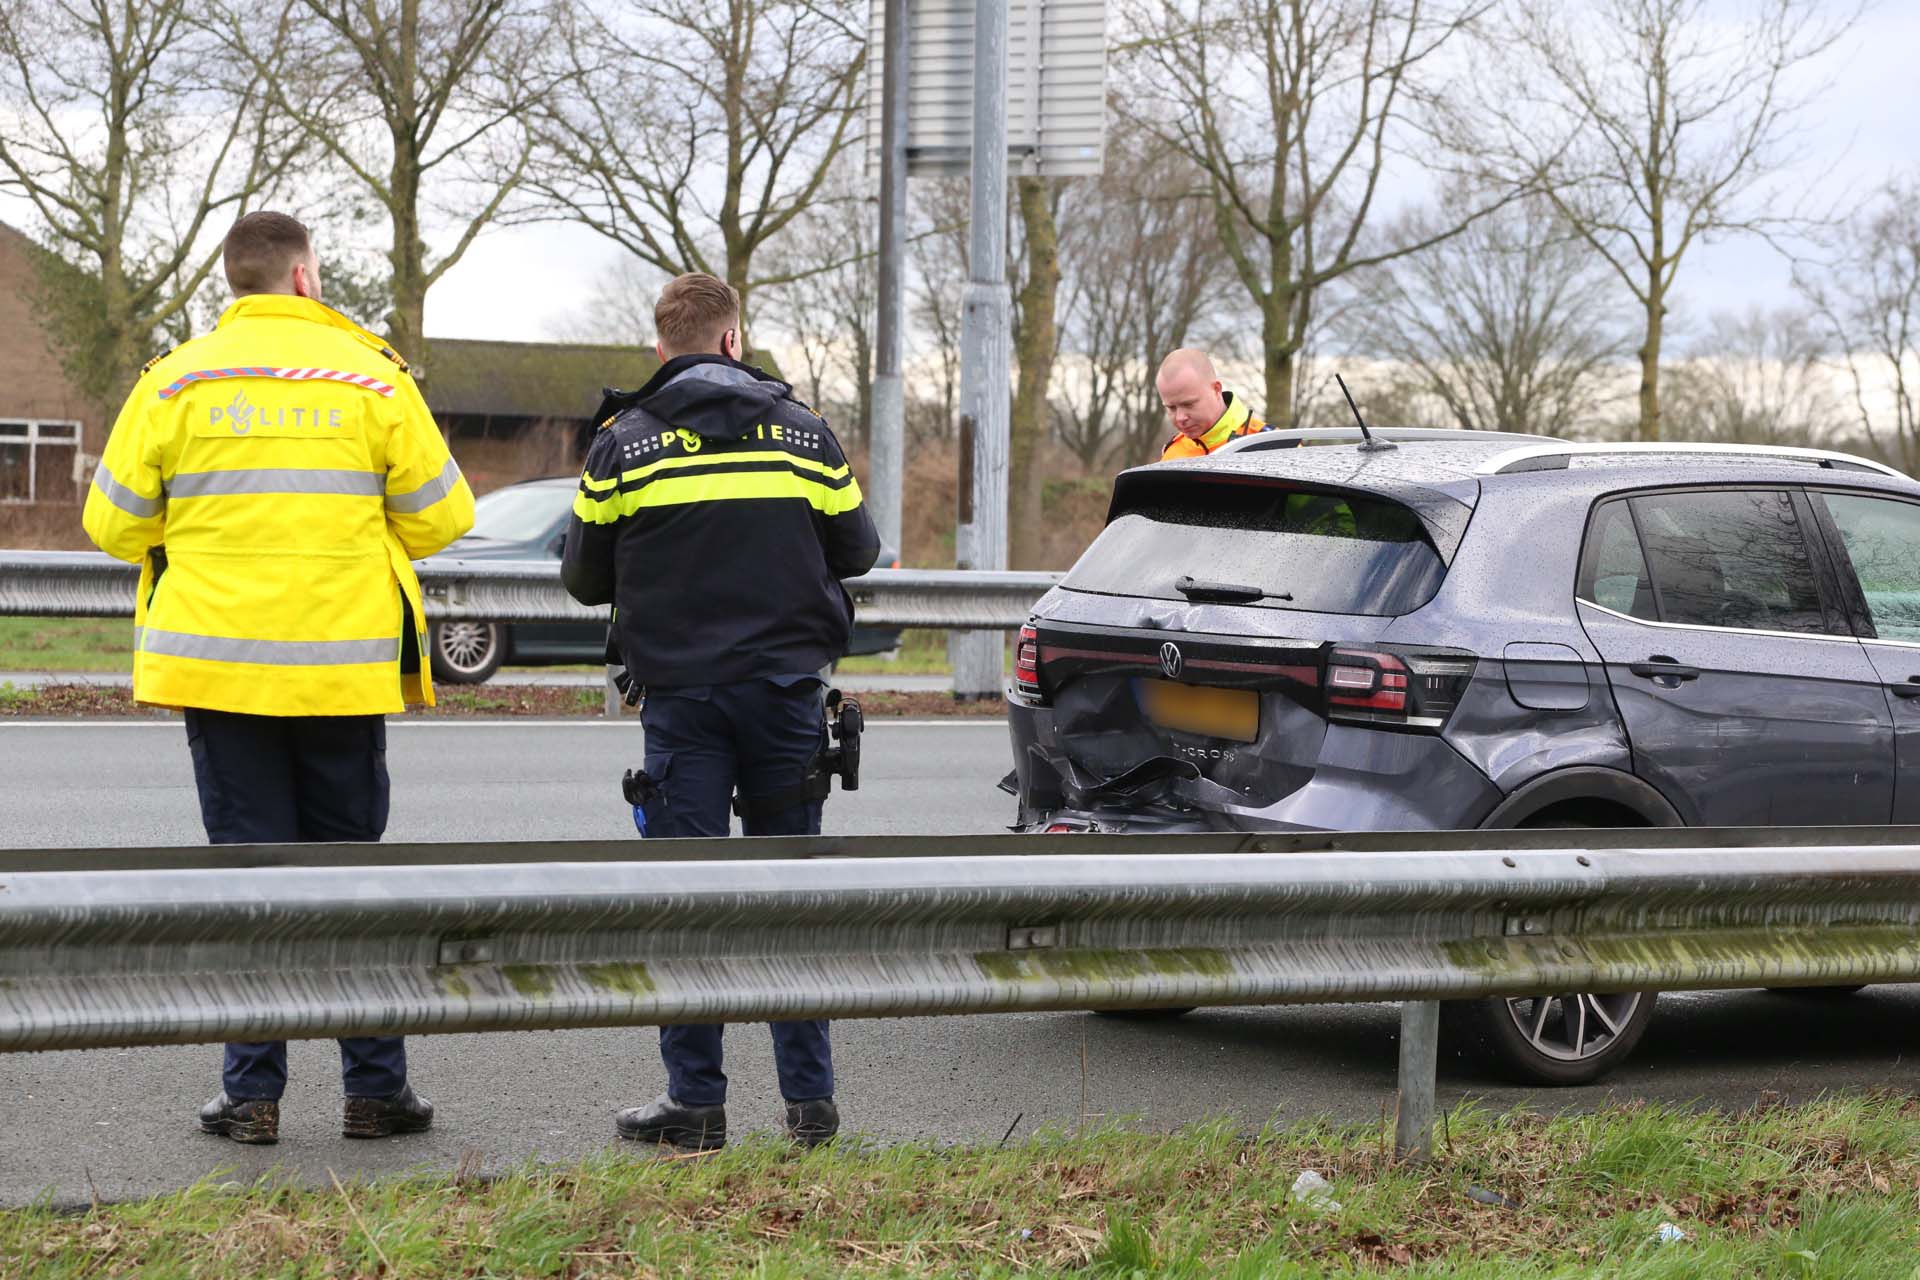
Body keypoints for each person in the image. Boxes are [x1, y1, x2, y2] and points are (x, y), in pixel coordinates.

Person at [81, 211, 475, 1146]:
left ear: (236, 279)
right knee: (351, 884)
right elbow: (440, 517)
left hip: (221, 672)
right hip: (342, 671)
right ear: (305, 277)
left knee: (250, 883)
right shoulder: (372, 376)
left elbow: (114, 525)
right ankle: (375, 1092)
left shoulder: (175, 380)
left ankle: (252, 1097)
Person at [562, 271, 879, 1152]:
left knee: (689, 899)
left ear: (661, 348)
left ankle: (695, 1106)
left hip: (682, 697)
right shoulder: (805, 432)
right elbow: (859, 548)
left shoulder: (622, 442)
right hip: (785, 695)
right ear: (735, 340)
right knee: (790, 900)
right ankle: (811, 1108)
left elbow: (583, 578)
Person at [1156, 348, 1268, 460]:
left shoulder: (1267, 443)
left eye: (1188, 404)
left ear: (1216, 389)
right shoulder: (1172, 452)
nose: (1180, 418)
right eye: (1171, 408)